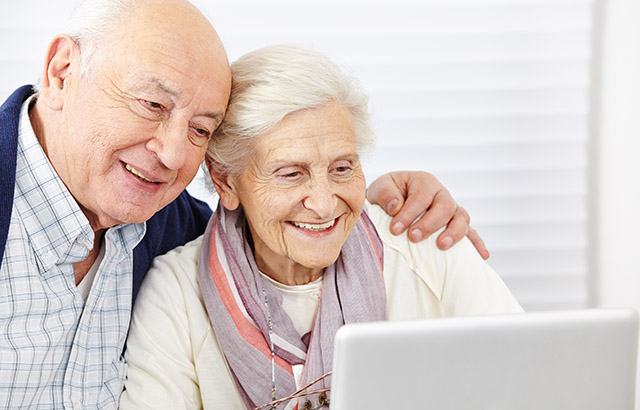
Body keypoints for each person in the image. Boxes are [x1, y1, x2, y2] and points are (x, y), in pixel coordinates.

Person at [0, 0, 485, 408]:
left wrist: (370, 201)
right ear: (62, 72)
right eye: (152, 105)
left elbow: (277, 219)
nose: (171, 154)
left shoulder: (163, 221)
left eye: (200, 130)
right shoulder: (165, 254)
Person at [120, 44, 522, 410]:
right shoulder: (176, 292)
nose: (325, 203)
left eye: (342, 168)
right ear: (226, 182)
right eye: (291, 174)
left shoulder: (425, 241)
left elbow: (529, 382)